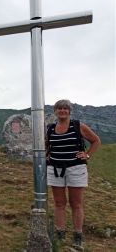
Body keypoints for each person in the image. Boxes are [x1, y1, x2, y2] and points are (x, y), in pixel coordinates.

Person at [46, 99, 101, 250]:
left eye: (65, 108)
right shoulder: (50, 128)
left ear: (69, 111)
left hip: (76, 168)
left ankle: (78, 235)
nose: (62, 111)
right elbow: (47, 145)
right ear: (55, 111)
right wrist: (46, 156)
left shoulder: (78, 126)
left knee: (75, 203)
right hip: (55, 169)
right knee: (59, 203)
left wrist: (87, 155)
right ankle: (60, 233)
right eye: (59, 108)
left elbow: (96, 141)